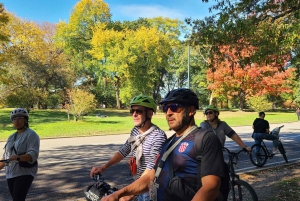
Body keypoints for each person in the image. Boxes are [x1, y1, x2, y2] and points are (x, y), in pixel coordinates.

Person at [101, 88, 228, 201]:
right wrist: (121, 193)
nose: (168, 113)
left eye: (174, 107)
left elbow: (211, 187)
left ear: (190, 110)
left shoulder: (205, 138)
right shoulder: (168, 142)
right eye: (165, 108)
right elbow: (151, 176)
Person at [90, 95, 167, 201]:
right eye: (132, 111)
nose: (134, 114)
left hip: (150, 189)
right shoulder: (136, 131)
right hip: (137, 186)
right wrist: (104, 167)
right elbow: (123, 151)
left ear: (149, 113)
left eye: (139, 111)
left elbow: (150, 170)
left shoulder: (158, 136)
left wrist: (130, 194)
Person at [0, 108, 40, 201]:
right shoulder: (11, 137)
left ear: (25, 119)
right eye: (14, 119)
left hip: (24, 173)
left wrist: (18, 157)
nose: (16, 121)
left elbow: (33, 155)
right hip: (11, 174)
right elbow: (7, 158)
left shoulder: (31, 134)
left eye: (19, 118)